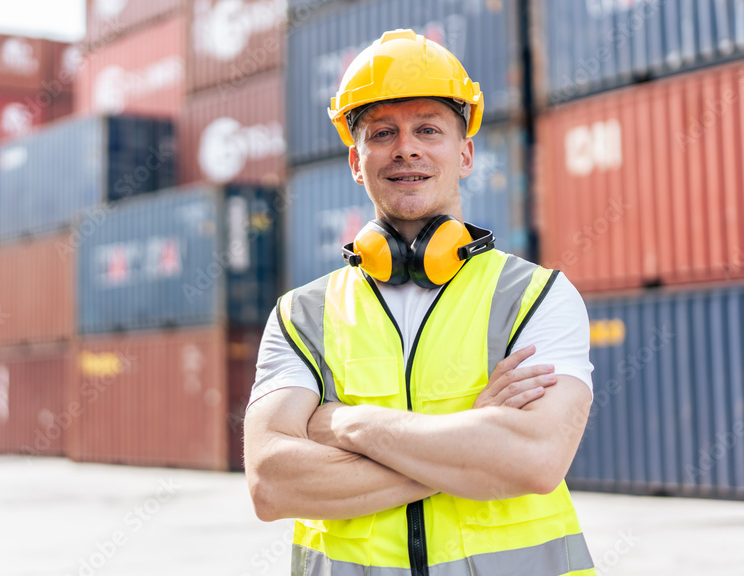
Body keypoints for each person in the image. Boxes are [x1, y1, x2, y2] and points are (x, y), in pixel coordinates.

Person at [244, 29, 596, 576]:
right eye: (383, 133)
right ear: (357, 164)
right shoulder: (302, 316)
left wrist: (346, 425)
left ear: (466, 153)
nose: (406, 147)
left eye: (428, 129)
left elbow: (534, 460)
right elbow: (270, 483)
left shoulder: (536, 296)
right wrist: (473, 442)